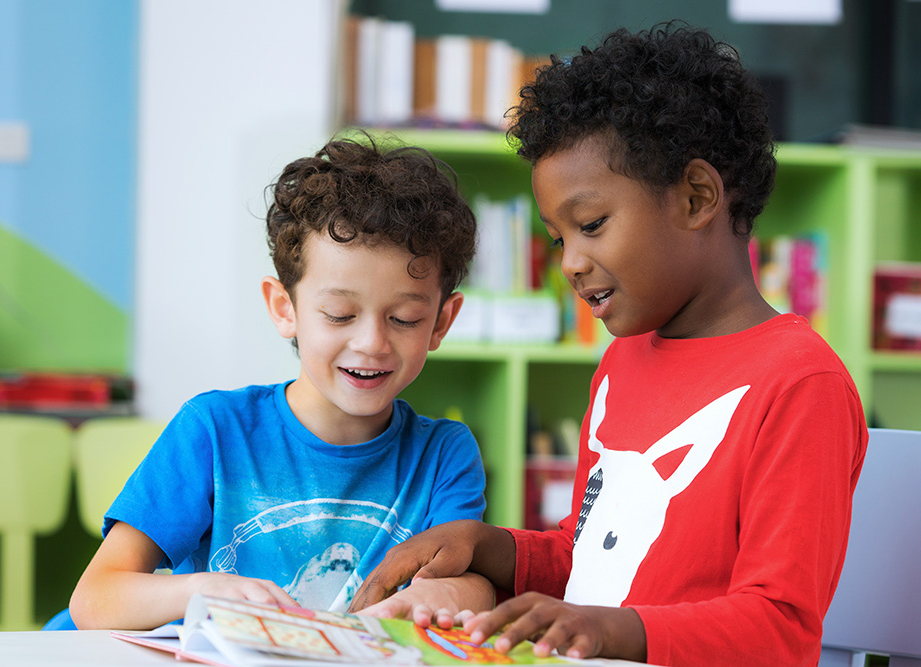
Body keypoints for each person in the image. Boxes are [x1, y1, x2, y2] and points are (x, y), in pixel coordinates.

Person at [348, 22, 868, 667]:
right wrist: (486, 545)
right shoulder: (623, 360)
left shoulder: (799, 383)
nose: (570, 262)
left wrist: (607, 631)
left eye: (591, 225)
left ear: (697, 196)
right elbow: (592, 556)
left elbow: (780, 629)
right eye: (559, 237)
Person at [68, 133, 489, 630]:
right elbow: (95, 599)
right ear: (283, 308)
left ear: (441, 321)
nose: (372, 343)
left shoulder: (444, 454)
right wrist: (202, 589)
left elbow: (474, 586)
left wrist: (446, 594)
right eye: (339, 314)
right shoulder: (215, 430)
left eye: (404, 319)